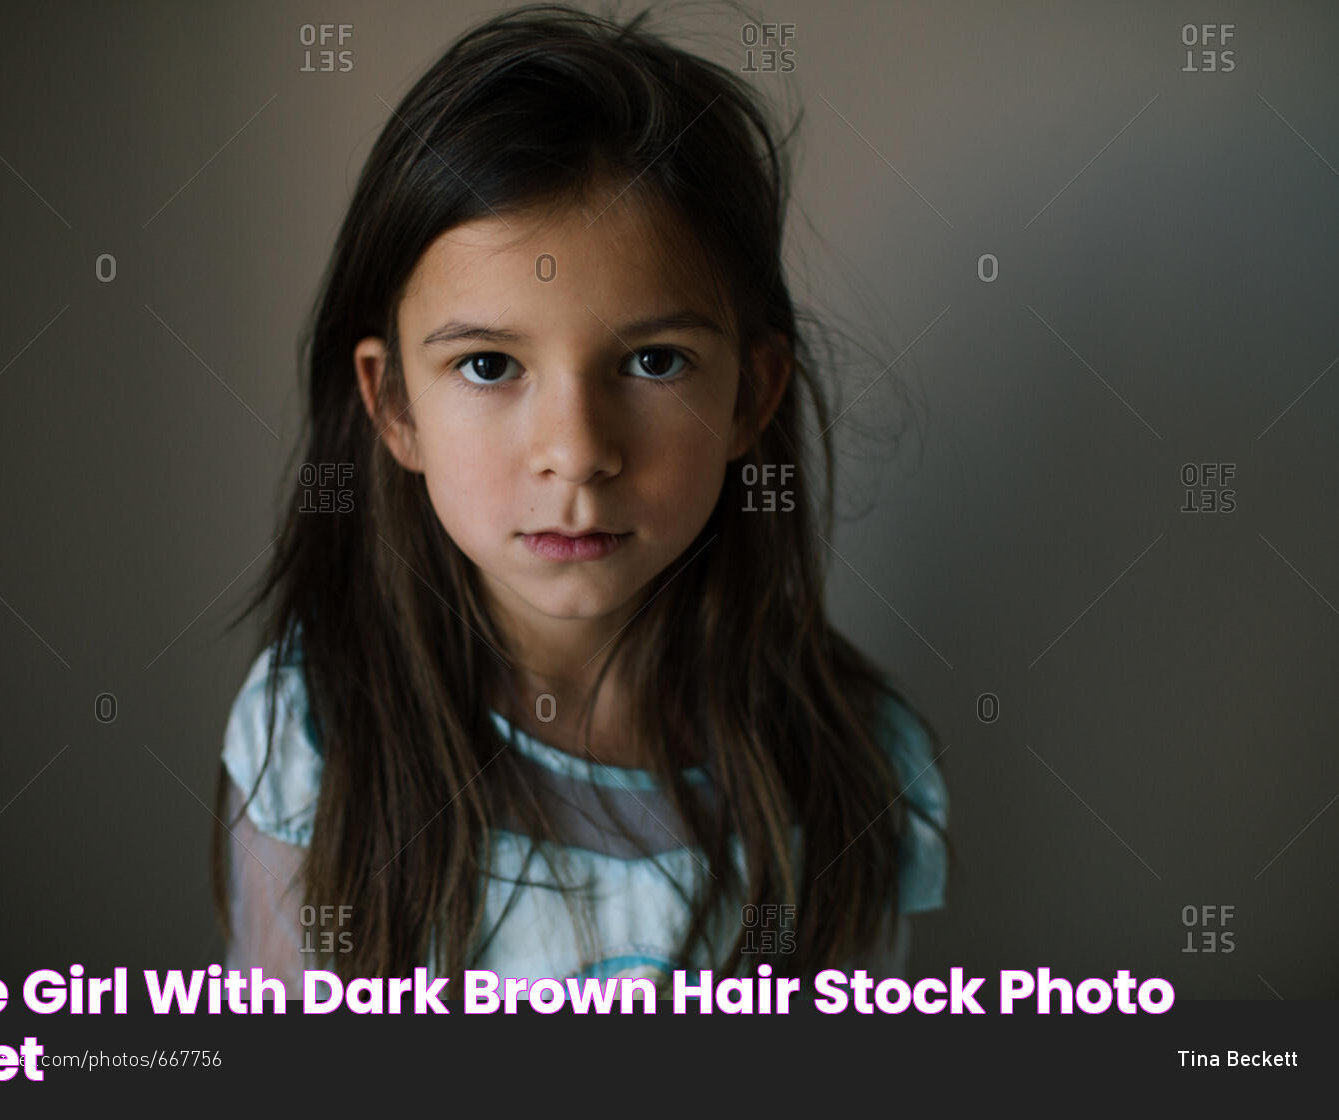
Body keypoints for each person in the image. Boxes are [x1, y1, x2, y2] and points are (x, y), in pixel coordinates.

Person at [212, 3, 949, 995]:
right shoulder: (317, 737)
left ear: (750, 396)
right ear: (395, 408)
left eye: (653, 361)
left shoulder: (854, 764)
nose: (577, 452)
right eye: (487, 364)